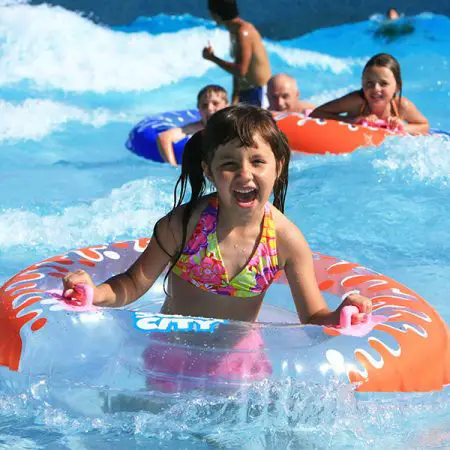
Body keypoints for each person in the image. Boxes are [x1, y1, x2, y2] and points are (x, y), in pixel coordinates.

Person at [62, 105, 371, 328]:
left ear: (277, 167)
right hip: (172, 353)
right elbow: (131, 284)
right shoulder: (184, 225)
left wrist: (343, 313)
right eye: (229, 164)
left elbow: (313, 316)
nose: (244, 175)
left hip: (237, 367)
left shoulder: (285, 240)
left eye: (258, 161)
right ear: (208, 170)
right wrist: (94, 292)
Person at [310, 53, 429, 135]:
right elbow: (316, 113)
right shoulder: (356, 101)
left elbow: (424, 126)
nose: (376, 88)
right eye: (369, 83)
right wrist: (353, 120)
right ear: (362, 83)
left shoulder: (401, 106)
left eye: (383, 83)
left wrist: (401, 127)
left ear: (397, 86)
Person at [202, 0, 271, 107]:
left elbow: (240, 70)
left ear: (215, 14)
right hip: (246, 91)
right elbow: (238, 67)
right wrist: (235, 96)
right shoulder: (235, 31)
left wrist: (213, 58)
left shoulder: (243, 32)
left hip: (258, 92)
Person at [157, 85, 229, 166]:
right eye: (204, 105)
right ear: (199, 109)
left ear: (226, 106)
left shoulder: (233, 125)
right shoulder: (197, 127)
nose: (209, 108)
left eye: (215, 103)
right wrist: (172, 166)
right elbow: (164, 137)